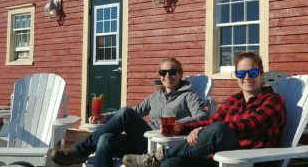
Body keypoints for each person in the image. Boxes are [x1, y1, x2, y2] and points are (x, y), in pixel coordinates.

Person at [123, 52, 286, 167]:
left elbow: (251, 125)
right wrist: (179, 127)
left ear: (261, 74)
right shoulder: (233, 101)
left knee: (220, 128)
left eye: (253, 72)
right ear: (236, 75)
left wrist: (205, 130)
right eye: (241, 73)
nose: (247, 77)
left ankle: (159, 156)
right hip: (219, 160)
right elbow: (210, 121)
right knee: (172, 164)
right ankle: (163, 158)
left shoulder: (273, 101)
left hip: (248, 161)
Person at [51, 57, 208, 166]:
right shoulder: (155, 96)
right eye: (163, 73)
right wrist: (104, 117)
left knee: (125, 113)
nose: (168, 76)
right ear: (160, 76)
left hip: (162, 146)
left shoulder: (189, 95)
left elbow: (202, 116)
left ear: (180, 74)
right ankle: (82, 151)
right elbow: (135, 111)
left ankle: (80, 150)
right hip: (141, 141)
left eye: (172, 72)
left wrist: (177, 123)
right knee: (105, 139)